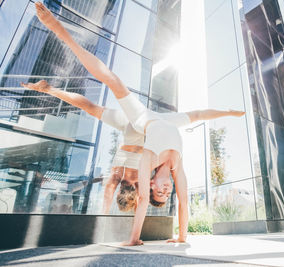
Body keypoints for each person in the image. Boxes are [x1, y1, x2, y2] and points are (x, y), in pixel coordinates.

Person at [29, 2, 245, 246]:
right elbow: (184, 201)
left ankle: (57, 31)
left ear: (151, 184)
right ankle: (52, 72)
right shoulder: (178, 166)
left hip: (140, 118)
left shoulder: (149, 160)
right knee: (196, 115)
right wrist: (228, 112)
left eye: (158, 192)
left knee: (111, 81)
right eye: (167, 192)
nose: (164, 190)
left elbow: (142, 200)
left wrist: (134, 239)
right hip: (165, 120)